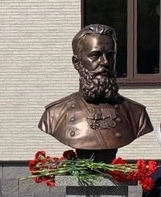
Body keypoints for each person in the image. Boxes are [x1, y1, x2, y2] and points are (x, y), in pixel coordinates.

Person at [38, 23, 153, 161]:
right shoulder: (54, 114)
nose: (105, 62)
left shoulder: (136, 114)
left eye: (110, 55)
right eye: (95, 55)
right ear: (77, 62)